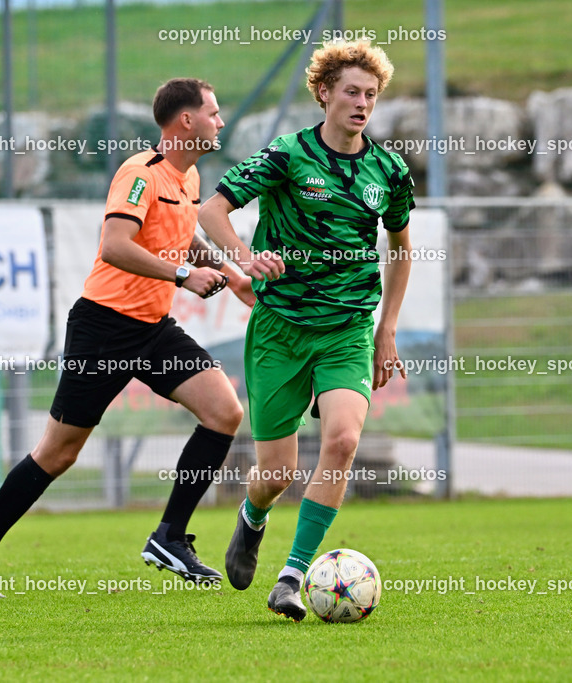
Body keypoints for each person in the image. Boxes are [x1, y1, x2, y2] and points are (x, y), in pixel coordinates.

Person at [0, 78, 252, 597]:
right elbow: (115, 245)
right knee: (58, 453)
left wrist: (229, 271)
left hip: (153, 329)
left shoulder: (191, 176)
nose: (220, 122)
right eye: (213, 112)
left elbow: (184, 236)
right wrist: (182, 277)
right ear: (186, 121)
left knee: (225, 411)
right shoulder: (139, 173)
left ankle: (169, 537)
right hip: (103, 328)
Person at [197, 40, 414, 622]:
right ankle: (252, 519)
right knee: (275, 474)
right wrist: (244, 257)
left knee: (343, 440)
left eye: (371, 94)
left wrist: (387, 329)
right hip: (280, 329)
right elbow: (210, 211)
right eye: (351, 92)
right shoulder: (288, 155)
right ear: (324, 93)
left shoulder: (388, 169)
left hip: (347, 330)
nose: (362, 103)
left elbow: (401, 247)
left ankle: (292, 577)